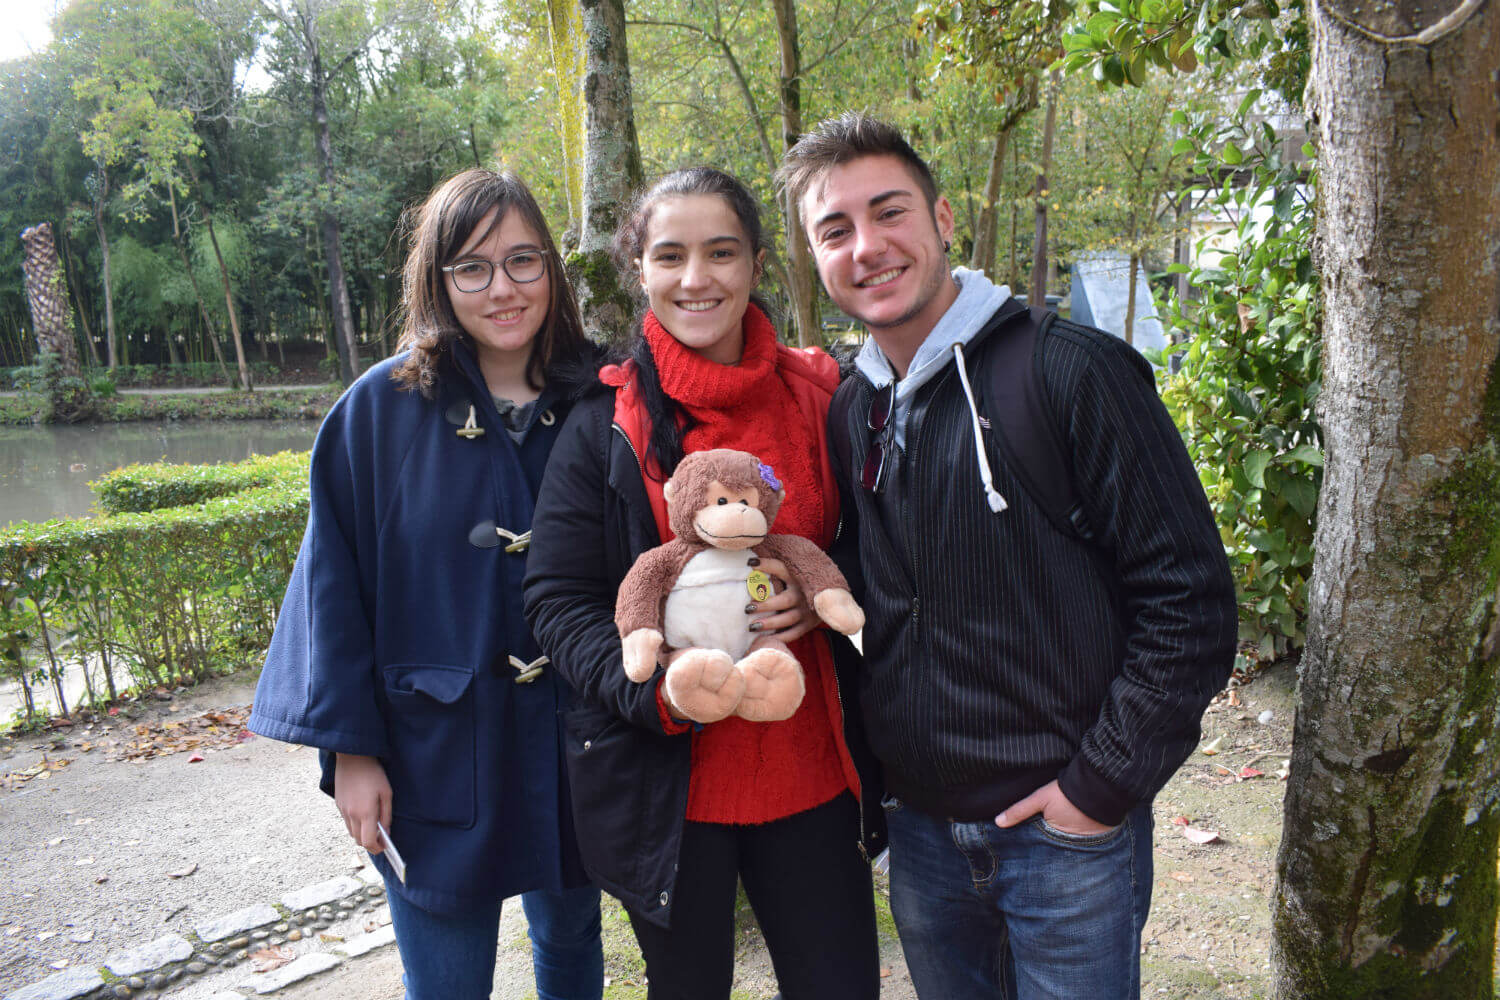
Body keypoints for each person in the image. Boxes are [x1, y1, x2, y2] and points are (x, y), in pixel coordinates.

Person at [778, 112, 1238, 1000]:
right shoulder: (853, 408)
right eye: (835, 230)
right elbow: (882, 581)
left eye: (889, 211)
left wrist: (1099, 789)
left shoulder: (1072, 372)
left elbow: (1190, 602)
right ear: (814, 255)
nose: (867, 246)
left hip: (1065, 839)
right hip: (921, 838)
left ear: (944, 218)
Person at [522, 167, 884, 1000]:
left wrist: (826, 594)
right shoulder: (605, 422)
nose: (697, 278)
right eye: (670, 255)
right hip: (669, 791)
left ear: (756, 262)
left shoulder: (823, 394)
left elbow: (883, 544)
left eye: (721, 253)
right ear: (639, 269)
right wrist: (657, 692)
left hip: (814, 772)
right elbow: (558, 598)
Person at [247, 168, 604, 1000]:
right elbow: (333, 586)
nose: (503, 289)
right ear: (437, 280)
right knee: (445, 981)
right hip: (431, 750)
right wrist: (351, 753)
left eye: (522, 260)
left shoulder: (597, 397)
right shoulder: (379, 410)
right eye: (472, 267)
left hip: (574, 740)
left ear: (550, 267)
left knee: (572, 941)